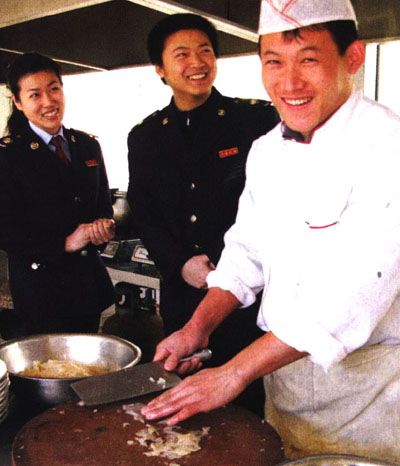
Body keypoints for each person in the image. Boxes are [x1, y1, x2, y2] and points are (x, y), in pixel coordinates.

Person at [140, 1, 400, 463]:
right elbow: (246, 251)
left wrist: (234, 373)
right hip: (285, 386)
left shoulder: (387, 146)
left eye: (308, 60)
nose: (289, 83)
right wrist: (197, 327)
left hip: (367, 400)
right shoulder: (266, 150)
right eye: (274, 62)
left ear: (354, 58)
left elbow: (350, 296)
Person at [127, 14, 280, 416]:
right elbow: (145, 213)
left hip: (247, 293)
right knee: (186, 402)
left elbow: (270, 203)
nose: (197, 62)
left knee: (247, 403)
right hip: (182, 296)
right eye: (182, 54)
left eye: (205, 51)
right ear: (160, 68)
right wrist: (180, 264)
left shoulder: (254, 120)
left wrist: (222, 266)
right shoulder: (145, 136)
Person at [0, 53, 115, 337]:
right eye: (35, 94)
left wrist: (103, 229)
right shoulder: (8, 155)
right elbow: (5, 230)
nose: (48, 102)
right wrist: (64, 243)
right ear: (18, 102)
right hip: (40, 294)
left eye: (53, 89)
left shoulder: (86, 145)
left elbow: (103, 206)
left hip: (87, 288)